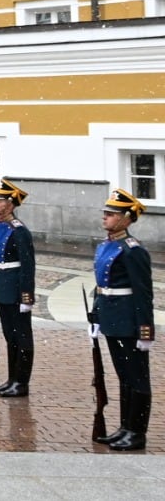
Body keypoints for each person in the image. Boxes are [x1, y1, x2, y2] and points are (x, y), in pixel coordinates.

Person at [93, 187, 154, 451]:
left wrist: (145, 331)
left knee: (136, 378)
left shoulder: (132, 250)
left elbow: (143, 293)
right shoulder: (107, 245)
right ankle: (125, 427)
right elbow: (101, 285)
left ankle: (137, 432)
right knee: (123, 376)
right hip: (112, 318)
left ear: (126, 218)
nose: (105, 217)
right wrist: (96, 316)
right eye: (105, 213)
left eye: (111, 214)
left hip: (129, 321)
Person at [0, 178, 36, 397]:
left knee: (22, 336)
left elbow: (27, 265)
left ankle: (21, 382)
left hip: (15, 288)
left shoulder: (19, 231)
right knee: (9, 335)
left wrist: (26, 296)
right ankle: (11, 378)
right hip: (2, 287)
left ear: (10, 204)